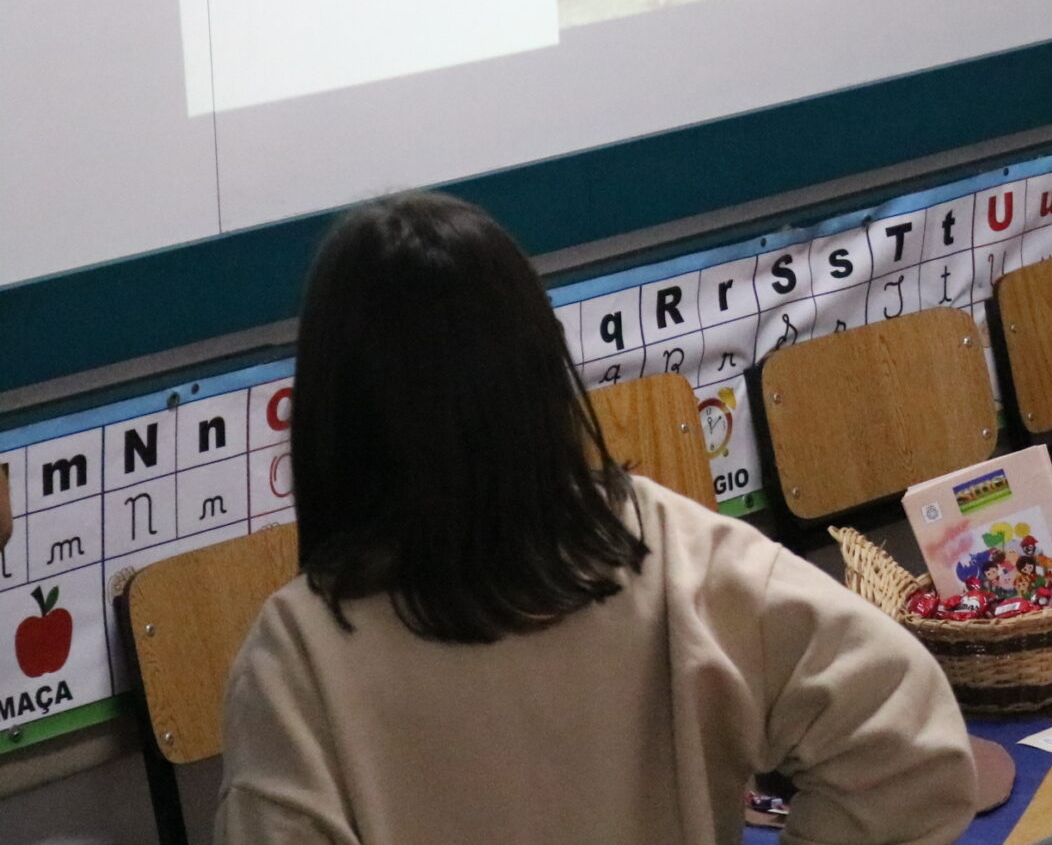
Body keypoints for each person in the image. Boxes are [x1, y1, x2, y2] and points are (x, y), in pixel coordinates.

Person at [216, 192, 976, 845]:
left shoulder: (297, 658)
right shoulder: (674, 553)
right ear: (542, 370)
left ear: (329, 413)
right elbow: (914, 750)